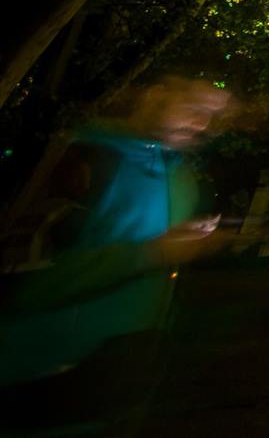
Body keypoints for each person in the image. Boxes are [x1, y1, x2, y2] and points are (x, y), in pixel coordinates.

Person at [0, 76, 234, 435]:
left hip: (122, 377)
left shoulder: (180, 175)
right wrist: (153, 252)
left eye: (211, 115)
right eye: (193, 107)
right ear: (155, 95)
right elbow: (20, 278)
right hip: (34, 375)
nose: (201, 124)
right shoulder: (82, 159)